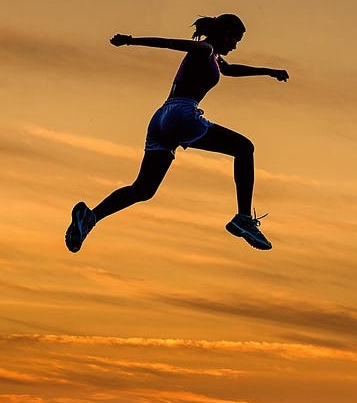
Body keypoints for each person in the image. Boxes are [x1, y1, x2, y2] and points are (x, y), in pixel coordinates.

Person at [66, 13, 289, 253]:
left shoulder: (214, 57)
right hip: (182, 114)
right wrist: (131, 40)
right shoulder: (204, 49)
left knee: (143, 189)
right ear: (222, 33)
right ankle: (243, 218)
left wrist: (268, 71)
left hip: (161, 119)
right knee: (244, 148)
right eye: (234, 39)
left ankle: (90, 217)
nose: (235, 45)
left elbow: (231, 70)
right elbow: (170, 43)